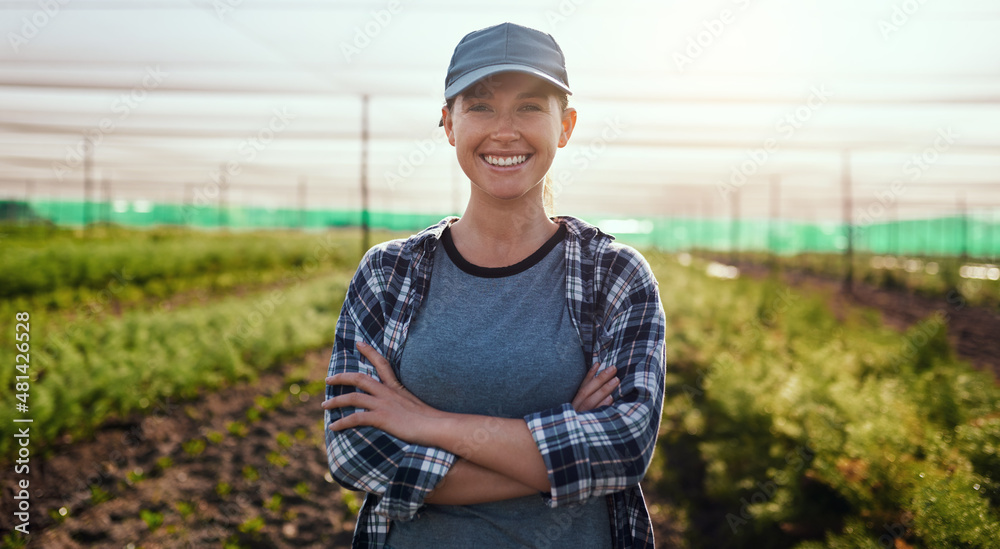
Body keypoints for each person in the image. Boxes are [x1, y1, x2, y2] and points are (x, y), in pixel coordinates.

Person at [323, 22, 666, 549]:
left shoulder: (614, 276)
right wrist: (566, 436)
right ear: (449, 124)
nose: (505, 131)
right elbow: (357, 453)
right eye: (480, 106)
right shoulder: (388, 275)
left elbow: (625, 448)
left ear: (566, 126)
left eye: (530, 107)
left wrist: (426, 423)